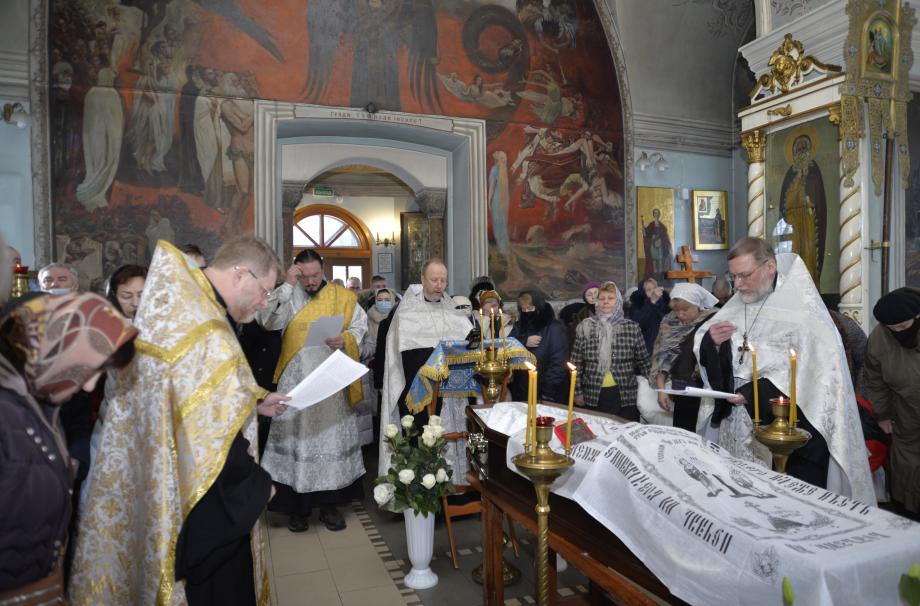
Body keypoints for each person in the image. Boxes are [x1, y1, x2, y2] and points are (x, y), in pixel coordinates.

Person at [70, 237, 290, 606]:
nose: (265, 302)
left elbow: (187, 397)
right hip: (199, 511)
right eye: (265, 290)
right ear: (241, 274)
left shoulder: (180, 305)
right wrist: (256, 486)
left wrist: (253, 401)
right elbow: (209, 437)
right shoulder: (206, 328)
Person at [693, 237, 874, 504]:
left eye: (744, 275)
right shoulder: (734, 307)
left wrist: (753, 393)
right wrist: (713, 343)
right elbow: (708, 348)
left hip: (789, 427)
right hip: (737, 425)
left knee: (786, 502)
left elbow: (817, 378)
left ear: (769, 267)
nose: (738, 285)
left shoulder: (806, 315)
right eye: (733, 277)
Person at [0, 291, 137, 603]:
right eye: (93, 367)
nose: (92, 384)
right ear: (55, 350)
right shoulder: (8, 417)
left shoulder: (40, 408)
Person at [257, 249, 367, 533]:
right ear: (296, 273)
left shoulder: (341, 298)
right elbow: (266, 320)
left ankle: (330, 507)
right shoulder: (289, 294)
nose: (310, 281)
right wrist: (286, 285)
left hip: (330, 384)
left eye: (315, 275)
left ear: (323, 269)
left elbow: (360, 328)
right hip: (295, 382)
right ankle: (298, 509)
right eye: (304, 276)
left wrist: (345, 339)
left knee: (329, 442)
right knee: (299, 442)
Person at [379, 259, 472, 477]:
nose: (439, 285)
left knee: (453, 437)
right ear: (422, 280)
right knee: (421, 442)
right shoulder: (406, 314)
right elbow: (398, 358)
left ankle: (455, 495)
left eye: (443, 280)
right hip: (418, 392)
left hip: (452, 394)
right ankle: (424, 498)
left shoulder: (454, 312)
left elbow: (467, 347)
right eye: (434, 280)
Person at [862, 288, 920, 519]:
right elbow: (875, 380)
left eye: (904, 328)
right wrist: (883, 415)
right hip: (905, 411)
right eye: (893, 329)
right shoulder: (880, 337)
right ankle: (909, 517)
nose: (899, 333)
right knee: (907, 465)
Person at [571, 281, 650, 420]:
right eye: (602, 299)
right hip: (593, 392)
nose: (605, 302)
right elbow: (576, 363)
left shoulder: (631, 327)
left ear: (618, 301)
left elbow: (643, 360)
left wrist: (655, 389)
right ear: (597, 302)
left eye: (610, 298)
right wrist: (577, 392)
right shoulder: (586, 326)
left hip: (625, 393)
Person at [649, 283, 719, 431]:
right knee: (683, 436)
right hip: (682, 390)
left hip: (709, 391)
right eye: (676, 310)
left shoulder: (714, 321)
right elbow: (663, 360)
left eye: (685, 310)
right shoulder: (669, 323)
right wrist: (661, 391)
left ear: (698, 305)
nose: (680, 315)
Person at [509, 290, 569, 404]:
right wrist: (524, 341)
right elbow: (507, 346)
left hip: (546, 390)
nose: (526, 312)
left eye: (530, 308)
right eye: (523, 309)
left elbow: (559, 362)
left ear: (539, 307)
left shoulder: (554, 327)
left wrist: (548, 392)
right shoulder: (519, 325)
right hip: (522, 389)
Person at [628, 277, 671, 354]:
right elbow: (637, 324)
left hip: (665, 349)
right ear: (643, 292)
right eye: (649, 290)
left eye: (655, 288)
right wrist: (651, 302)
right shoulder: (638, 306)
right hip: (646, 350)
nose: (653, 291)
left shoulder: (666, 304)